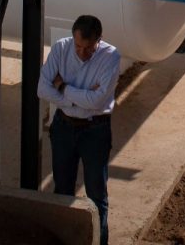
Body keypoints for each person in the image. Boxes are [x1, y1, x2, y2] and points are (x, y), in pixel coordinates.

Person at [38, 15, 121, 245]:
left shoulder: (111, 56)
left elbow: (97, 102)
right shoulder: (61, 48)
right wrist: (77, 99)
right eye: (78, 46)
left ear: (99, 41)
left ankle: (98, 241)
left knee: (96, 194)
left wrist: (63, 86)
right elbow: (42, 89)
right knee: (62, 189)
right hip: (64, 126)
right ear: (72, 38)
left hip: (95, 131)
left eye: (88, 48)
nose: (82, 53)